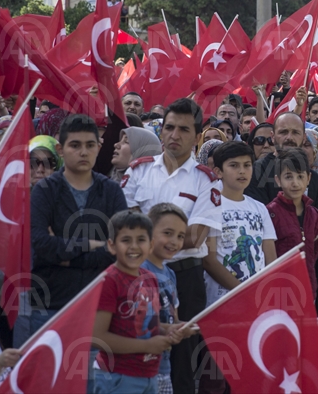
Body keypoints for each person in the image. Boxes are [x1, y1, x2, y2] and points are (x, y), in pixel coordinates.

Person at [122, 98, 223, 393]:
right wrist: (162, 236)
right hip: (138, 279)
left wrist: (143, 233)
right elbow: (121, 227)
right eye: (168, 128)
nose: (173, 135)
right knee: (136, 352)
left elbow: (194, 238)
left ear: (197, 135)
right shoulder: (138, 171)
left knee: (182, 363)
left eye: (183, 129)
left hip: (186, 279)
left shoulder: (207, 181)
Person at [29, 114, 127, 334]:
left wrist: (64, 254)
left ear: (99, 147)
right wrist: (91, 245)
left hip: (99, 306)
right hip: (49, 305)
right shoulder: (44, 191)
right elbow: (41, 244)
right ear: (60, 149)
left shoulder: (111, 191)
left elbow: (120, 247)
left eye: (90, 145)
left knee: (90, 369)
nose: (84, 152)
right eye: (75, 145)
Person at [201, 142, 278, 392]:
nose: (242, 171)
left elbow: (270, 259)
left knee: (249, 377)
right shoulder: (210, 205)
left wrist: (261, 295)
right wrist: (241, 291)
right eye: (234, 166)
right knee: (215, 377)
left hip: (255, 306)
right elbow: (209, 259)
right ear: (219, 171)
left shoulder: (260, 209)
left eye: (247, 165)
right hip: (220, 304)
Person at [91, 211, 183, 394]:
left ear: (150, 245)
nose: (134, 246)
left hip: (149, 375)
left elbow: (146, 325)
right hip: (118, 377)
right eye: (126, 240)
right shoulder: (109, 280)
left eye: (141, 240)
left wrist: (168, 329)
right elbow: (97, 337)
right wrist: (148, 346)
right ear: (112, 246)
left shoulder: (150, 278)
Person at [142, 203, 195, 394]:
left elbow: (173, 318)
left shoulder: (170, 274)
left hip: (163, 366)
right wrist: (169, 329)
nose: (174, 241)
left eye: (180, 236)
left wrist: (184, 327)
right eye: (168, 233)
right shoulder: (138, 270)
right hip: (137, 367)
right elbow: (136, 322)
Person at [246, 112, 318, 222]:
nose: (289, 137)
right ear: (273, 137)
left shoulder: (312, 176)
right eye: (283, 132)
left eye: (295, 132)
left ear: (304, 138)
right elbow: (259, 219)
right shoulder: (257, 170)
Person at [267, 148, 318, 295]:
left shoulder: (314, 215)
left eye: (300, 176)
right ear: (278, 180)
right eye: (288, 177)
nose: (295, 183)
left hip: (308, 288)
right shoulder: (270, 213)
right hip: (279, 289)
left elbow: (315, 251)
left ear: (308, 178)